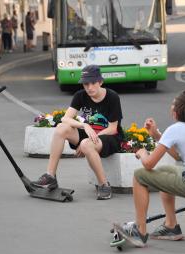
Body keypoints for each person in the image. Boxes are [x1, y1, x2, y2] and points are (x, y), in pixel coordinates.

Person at [117, 90, 185, 247]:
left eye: (173, 103)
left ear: (175, 112)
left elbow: (148, 164)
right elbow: (178, 156)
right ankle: (171, 226)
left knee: (139, 175)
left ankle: (140, 231)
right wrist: (157, 135)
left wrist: (142, 153)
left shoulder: (175, 129)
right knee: (166, 170)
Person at [32, 65, 123, 200]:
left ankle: (104, 184)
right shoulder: (80, 95)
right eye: (86, 84)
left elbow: (113, 128)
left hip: (109, 137)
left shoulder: (112, 97)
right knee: (62, 128)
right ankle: (50, 175)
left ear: (100, 82)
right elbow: (65, 118)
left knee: (86, 144)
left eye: (93, 83)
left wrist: (89, 139)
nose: (89, 87)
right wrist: (84, 125)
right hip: (89, 133)